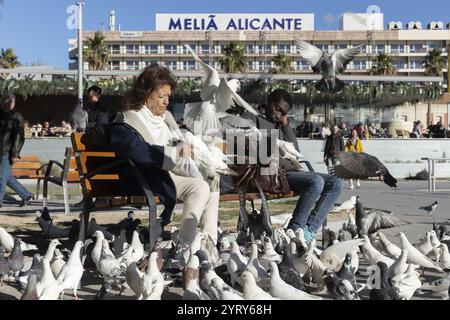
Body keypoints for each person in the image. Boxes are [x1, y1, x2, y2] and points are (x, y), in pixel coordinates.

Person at [109, 64, 219, 255]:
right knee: (200, 188)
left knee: (211, 181)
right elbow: (139, 152)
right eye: (161, 96)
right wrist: (175, 152)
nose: (166, 101)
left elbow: (176, 147)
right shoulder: (127, 121)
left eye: (168, 96)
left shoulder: (165, 120)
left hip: (165, 176)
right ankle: (185, 250)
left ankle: (209, 245)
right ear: (146, 94)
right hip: (144, 179)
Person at [241, 89, 343, 244]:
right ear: (270, 103)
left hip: (288, 172)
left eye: (283, 113)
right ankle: (294, 229)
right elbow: (244, 146)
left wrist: (286, 126)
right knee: (316, 182)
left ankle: (308, 230)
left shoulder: (280, 124)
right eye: (278, 110)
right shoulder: (251, 117)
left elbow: (295, 151)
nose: (279, 115)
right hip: (270, 174)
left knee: (336, 182)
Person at [0, 94, 34, 207]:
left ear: (13, 103)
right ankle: (26, 194)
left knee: (1, 177)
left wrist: (15, 153)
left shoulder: (17, 117)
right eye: (3, 104)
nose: (5, 106)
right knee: (6, 176)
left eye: (7, 104)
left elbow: (19, 137)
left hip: (7, 151)